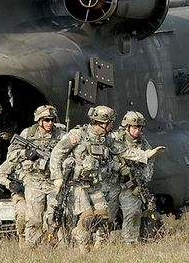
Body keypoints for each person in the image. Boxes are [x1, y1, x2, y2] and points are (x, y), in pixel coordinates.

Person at [49, 105, 165, 250]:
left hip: (96, 185)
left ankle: (95, 246)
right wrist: (57, 177)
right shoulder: (78, 135)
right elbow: (57, 153)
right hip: (78, 186)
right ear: (103, 123)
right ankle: (82, 244)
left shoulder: (107, 139)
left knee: (104, 218)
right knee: (87, 218)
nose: (112, 126)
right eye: (110, 122)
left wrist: (145, 155)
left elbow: (123, 150)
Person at [0, 104, 65, 248]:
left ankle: (56, 247)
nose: (50, 123)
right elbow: (11, 155)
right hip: (34, 181)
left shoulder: (60, 135)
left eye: (52, 119)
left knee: (54, 217)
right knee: (34, 219)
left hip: (53, 181)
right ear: (39, 120)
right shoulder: (28, 134)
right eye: (46, 120)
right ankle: (32, 249)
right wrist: (26, 154)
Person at [108, 110, 156, 244]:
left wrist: (140, 179)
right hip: (110, 182)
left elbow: (149, 166)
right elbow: (104, 159)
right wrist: (118, 167)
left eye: (140, 128)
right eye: (135, 127)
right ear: (127, 127)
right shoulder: (113, 138)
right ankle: (101, 240)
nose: (137, 131)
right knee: (107, 213)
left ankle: (130, 241)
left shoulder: (143, 143)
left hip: (130, 184)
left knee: (134, 212)